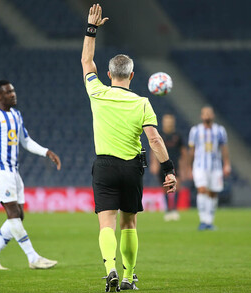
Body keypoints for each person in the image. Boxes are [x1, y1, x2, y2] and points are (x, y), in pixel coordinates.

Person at [81, 4, 177, 291]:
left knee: (106, 224)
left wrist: (92, 29)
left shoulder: (97, 91)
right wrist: (168, 171)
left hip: (105, 166)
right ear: (132, 76)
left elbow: (87, 61)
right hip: (132, 167)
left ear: (109, 75)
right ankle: (128, 276)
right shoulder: (142, 103)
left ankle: (109, 268)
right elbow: (155, 139)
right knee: (129, 224)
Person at [0, 80, 61, 270]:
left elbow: (25, 141)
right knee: (13, 213)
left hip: (13, 171)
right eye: (8, 92)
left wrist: (46, 152)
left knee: (18, 215)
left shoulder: (16, 115)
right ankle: (33, 258)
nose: (13, 94)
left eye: (13, 91)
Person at [188, 106, 231, 231]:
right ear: (201, 116)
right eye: (204, 113)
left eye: (209, 113)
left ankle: (210, 221)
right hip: (199, 166)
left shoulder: (220, 130)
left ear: (213, 115)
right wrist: (189, 168)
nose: (207, 115)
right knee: (201, 190)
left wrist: (227, 164)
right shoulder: (195, 131)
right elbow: (192, 151)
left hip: (215, 167)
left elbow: (224, 148)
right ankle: (203, 220)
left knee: (213, 193)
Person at [150, 114, 187, 221]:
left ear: (173, 123)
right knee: (165, 188)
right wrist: (154, 163)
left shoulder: (178, 136)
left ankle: (174, 209)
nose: (168, 123)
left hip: (176, 164)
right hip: (163, 165)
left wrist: (185, 167)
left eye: (170, 121)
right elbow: (153, 150)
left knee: (177, 186)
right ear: (163, 122)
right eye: (166, 121)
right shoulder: (159, 135)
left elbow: (184, 152)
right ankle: (168, 210)